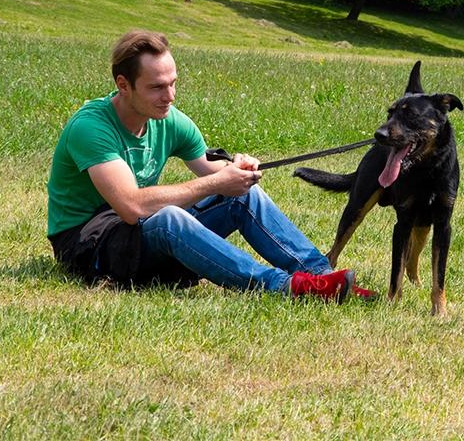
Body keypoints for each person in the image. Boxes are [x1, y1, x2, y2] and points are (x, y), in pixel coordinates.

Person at [47, 30, 375, 302]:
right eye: (157, 87)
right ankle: (287, 287)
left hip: (137, 235)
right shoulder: (91, 128)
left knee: (241, 196)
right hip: (87, 244)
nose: (170, 95)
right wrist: (217, 184)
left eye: (173, 83)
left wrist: (239, 170)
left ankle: (324, 279)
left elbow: (214, 171)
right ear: (123, 85)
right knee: (168, 219)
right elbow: (132, 207)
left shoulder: (169, 119)